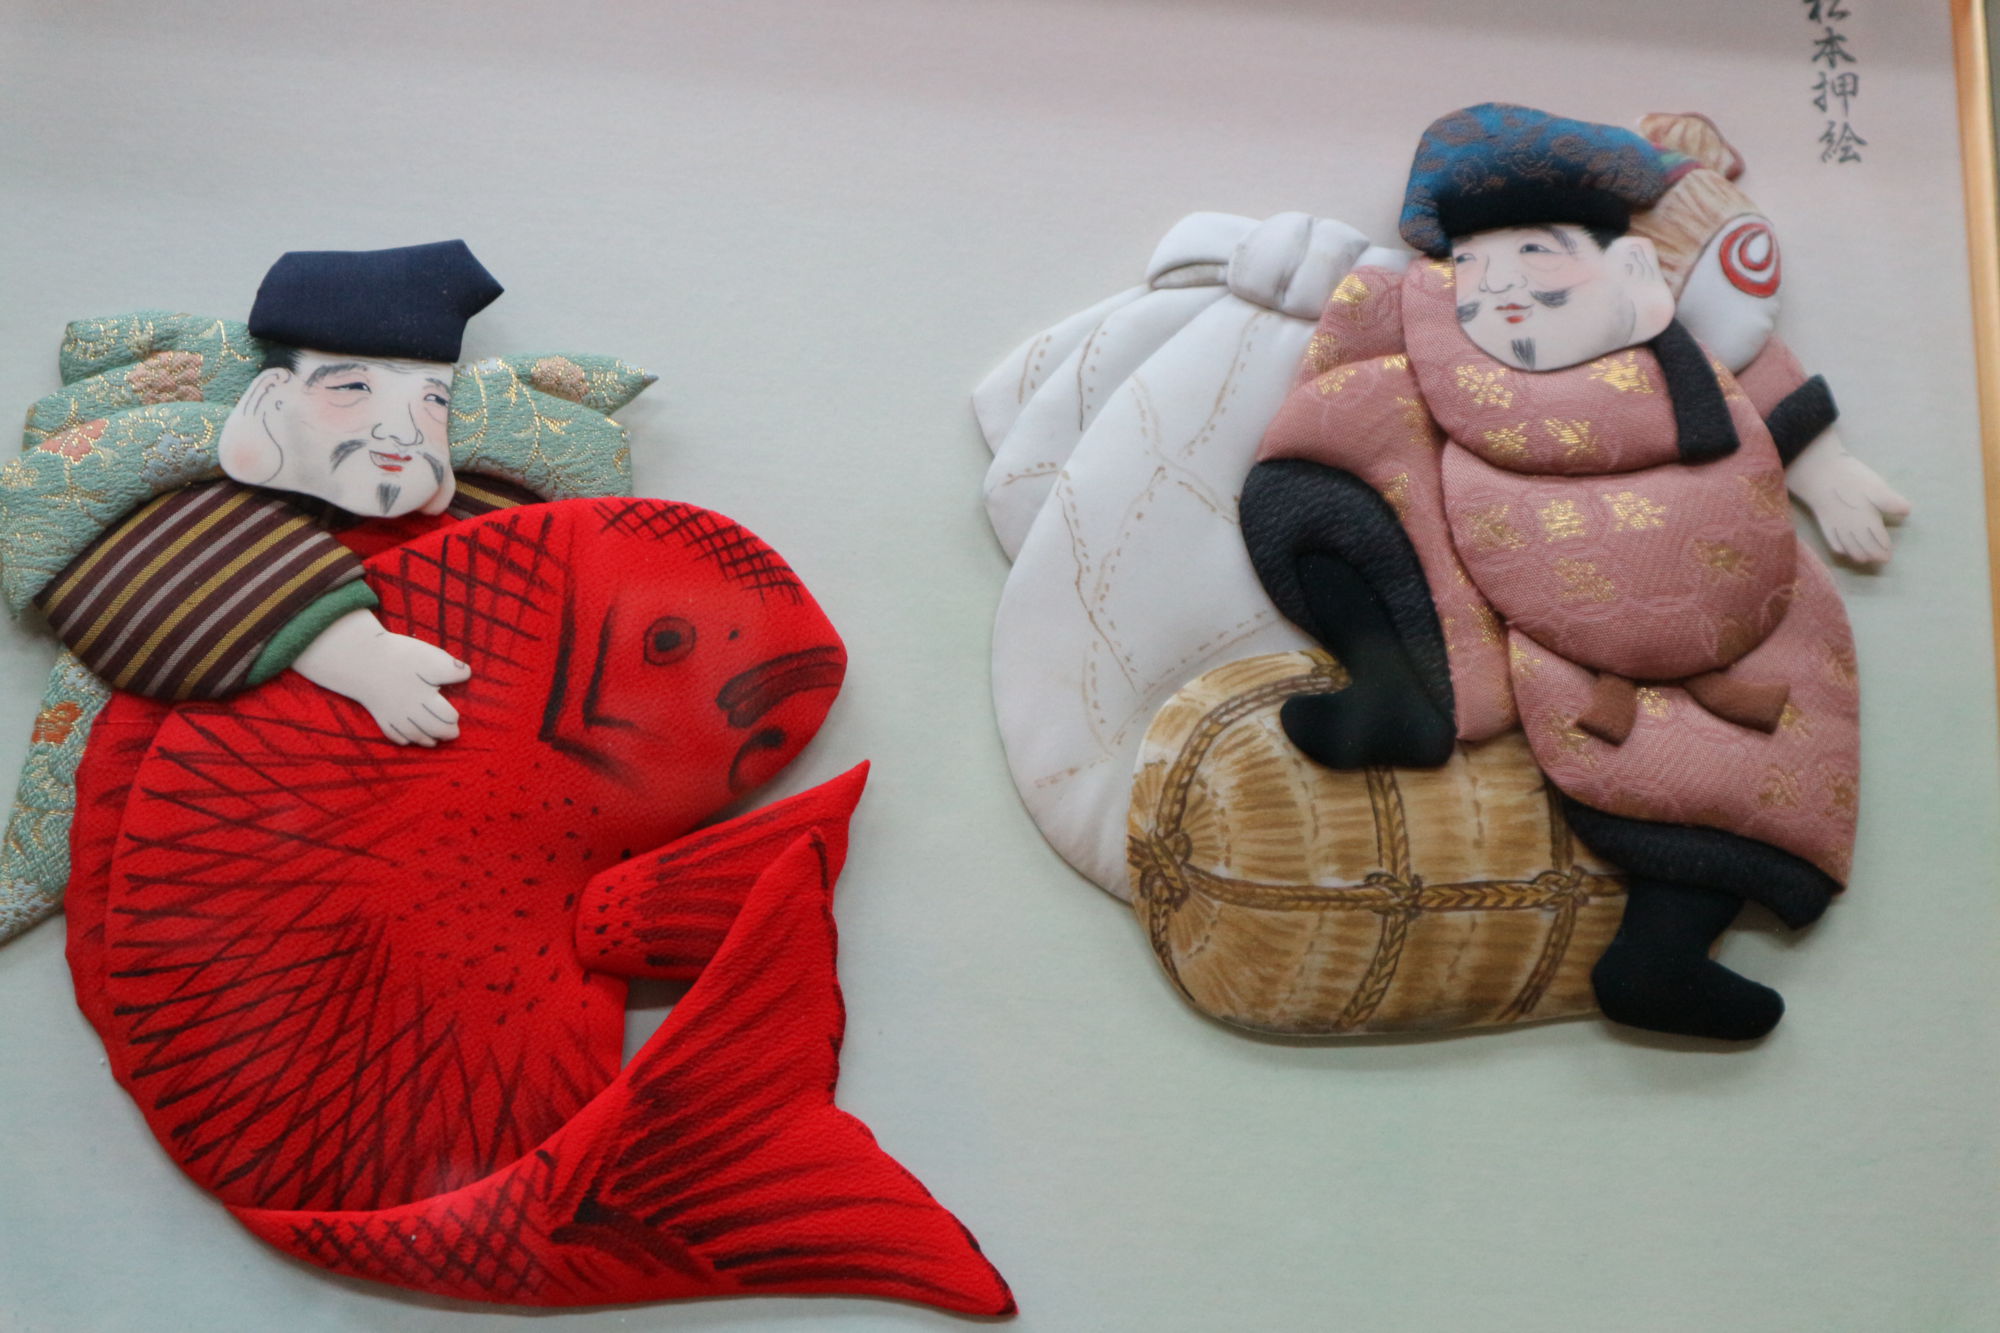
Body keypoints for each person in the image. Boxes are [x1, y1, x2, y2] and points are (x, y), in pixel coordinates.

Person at [1241, 104, 1894, 1041]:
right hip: (1493, 576)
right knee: (1351, 442)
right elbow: (1339, 352)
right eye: (1477, 267)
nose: (1503, 286)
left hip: (1700, 592)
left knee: (1755, 715)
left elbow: (1760, 378)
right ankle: (1396, 692)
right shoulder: (1429, 340)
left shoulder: (1684, 354)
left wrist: (1824, 472)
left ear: (1624, 267)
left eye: (1537, 257)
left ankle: (1662, 954)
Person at [32, 241, 543, 745]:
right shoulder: (176, 497)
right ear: (270, 397)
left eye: (433, 400)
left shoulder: (491, 507)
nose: (403, 432)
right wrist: (356, 654)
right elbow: (130, 579)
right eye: (353, 388)